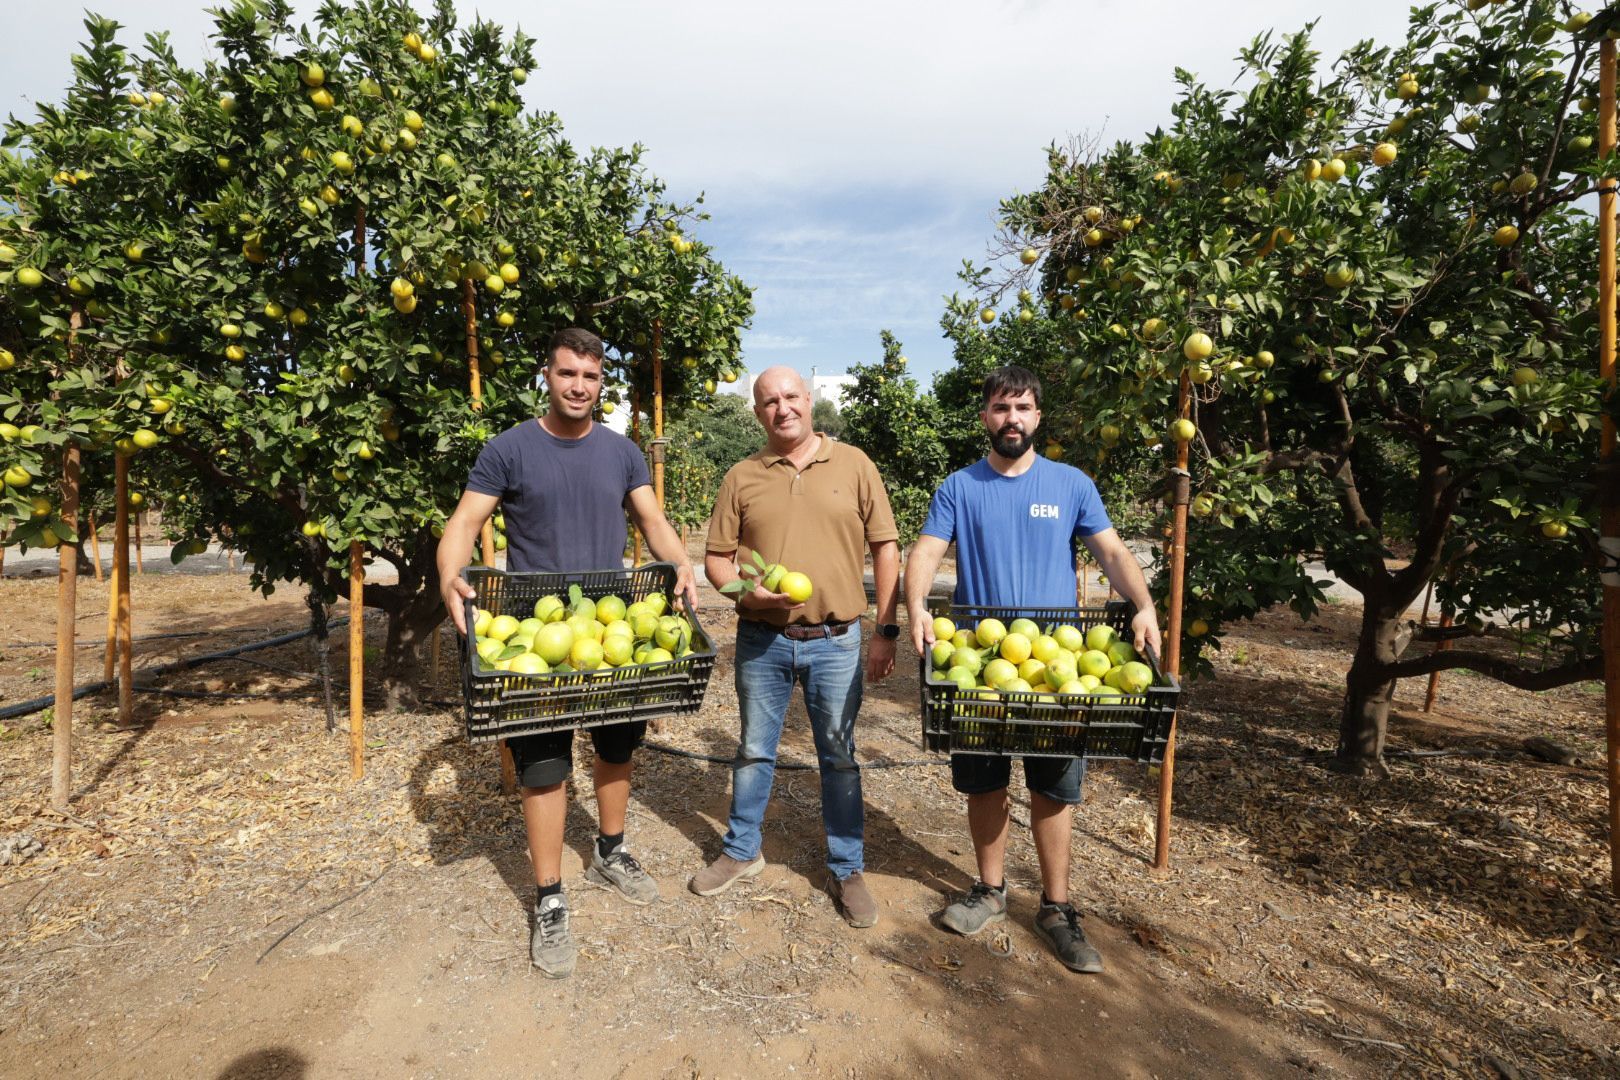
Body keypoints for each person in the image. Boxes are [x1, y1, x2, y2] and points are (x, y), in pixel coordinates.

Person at [437, 327, 698, 979]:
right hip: (536, 634)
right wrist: (450, 576)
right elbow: (464, 524)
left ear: (600, 382)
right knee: (545, 767)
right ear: (546, 377)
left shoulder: (623, 452)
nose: (578, 386)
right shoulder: (509, 450)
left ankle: (610, 850)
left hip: (613, 630)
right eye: (566, 374)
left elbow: (653, 521)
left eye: (589, 376)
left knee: (616, 746)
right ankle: (550, 896)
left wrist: (682, 566)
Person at [903, 364, 1162, 974]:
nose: (1010, 419)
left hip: (1058, 668)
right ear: (986, 417)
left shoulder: (1071, 483)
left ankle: (1056, 906)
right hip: (979, 665)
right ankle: (990, 889)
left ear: (1038, 417)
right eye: (1000, 408)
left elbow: (1112, 550)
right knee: (984, 781)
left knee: (1052, 786)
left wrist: (1144, 604)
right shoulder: (959, 488)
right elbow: (927, 550)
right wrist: (914, 605)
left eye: (1021, 408)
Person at [690, 366, 901, 928]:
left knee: (839, 756)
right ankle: (741, 850)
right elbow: (716, 561)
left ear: (809, 401)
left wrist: (885, 630)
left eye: (790, 397)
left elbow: (886, 548)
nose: (781, 408)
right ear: (757, 413)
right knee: (755, 749)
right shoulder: (742, 475)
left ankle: (846, 865)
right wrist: (745, 589)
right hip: (764, 639)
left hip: (837, 640)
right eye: (768, 402)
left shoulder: (855, 465)